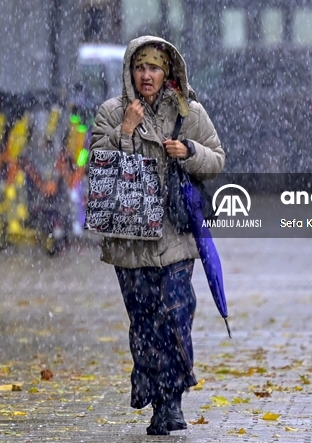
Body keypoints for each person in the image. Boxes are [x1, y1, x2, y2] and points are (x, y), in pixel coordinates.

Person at [89, 35, 225, 436]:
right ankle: (151, 390)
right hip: (129, 241)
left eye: (154, 67)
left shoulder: (189, 111)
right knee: (144, 323)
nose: (146, 75)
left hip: (175, 237)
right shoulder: (112, 112)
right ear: (130, 71)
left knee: (177, 313)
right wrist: (127, 131)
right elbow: (98, 164)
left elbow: (217, 158)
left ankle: (171, 400)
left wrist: (189, 151)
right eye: (140, 67)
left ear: (167, 72)